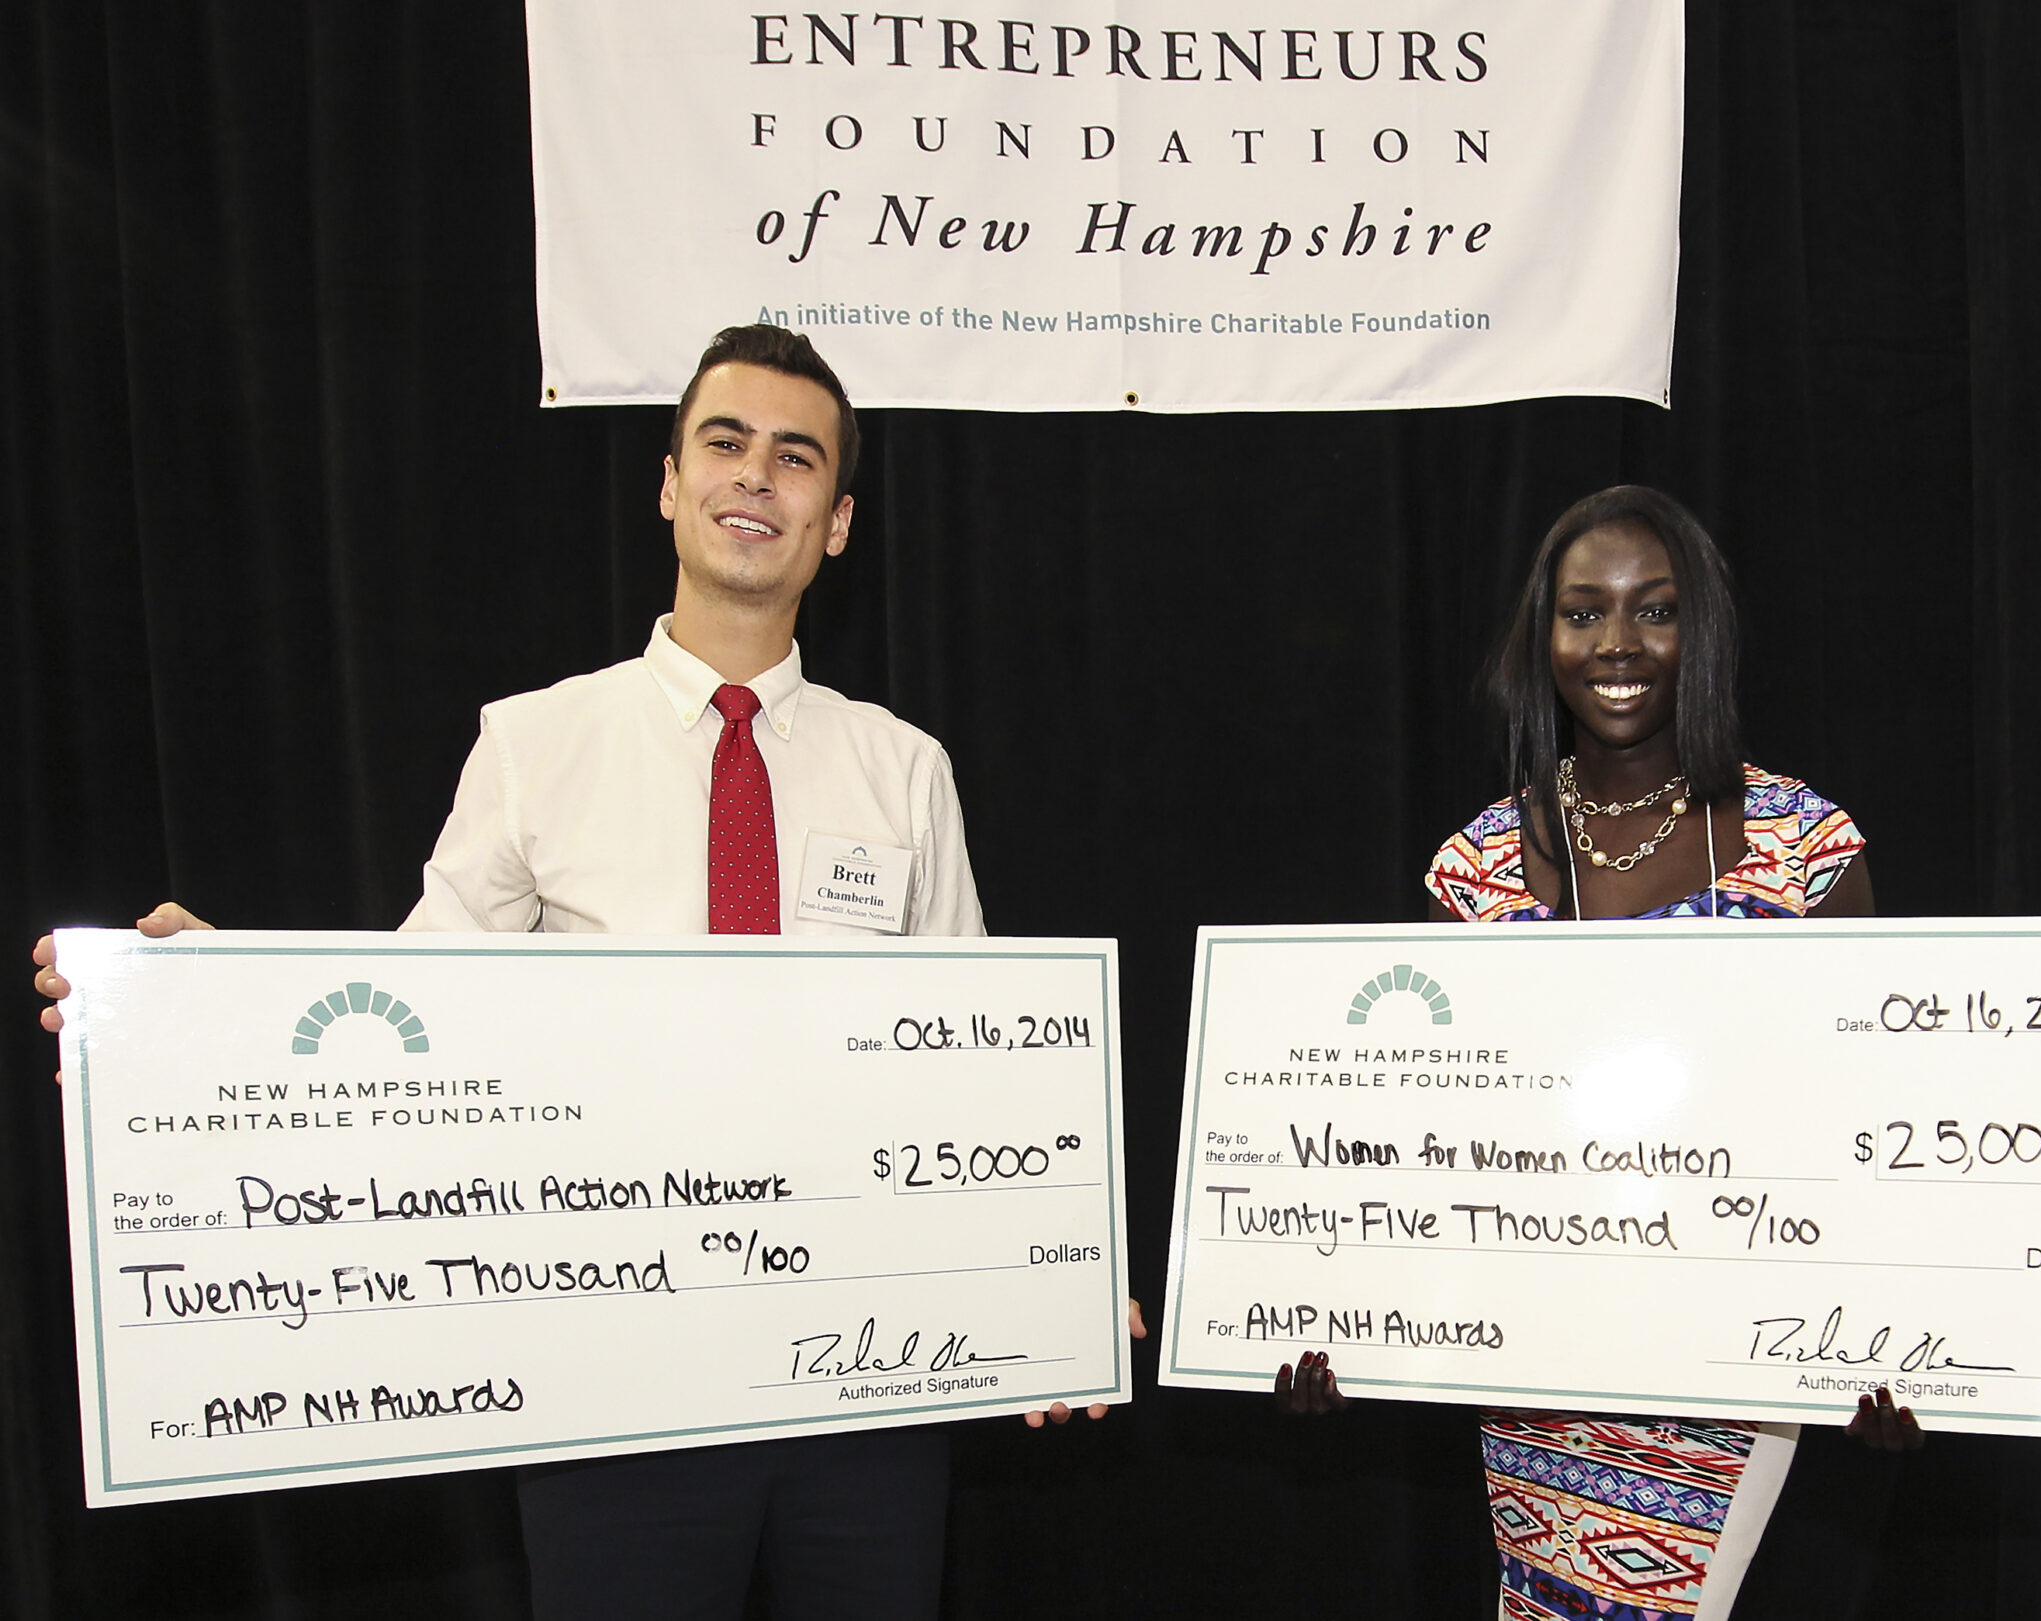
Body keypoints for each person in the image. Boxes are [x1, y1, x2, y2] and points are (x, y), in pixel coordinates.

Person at [33, 323, 1130, 1621]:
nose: (754, 478)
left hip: (868, 1379)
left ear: (835, 523)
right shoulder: (536, 745)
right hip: (616, 1381)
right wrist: (209, 1006)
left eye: (795, 458)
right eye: (724, 443)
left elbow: (974, 1061)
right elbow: (414, 1013)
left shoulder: (905, 768)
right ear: (669, 483)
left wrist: (1056, 1273)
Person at [1275, 485, 1918, 1621]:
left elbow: (1877, 1133)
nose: (1616, 643)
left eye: (1654, 611)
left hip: (1730, 1366)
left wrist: (1903, 1346)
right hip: (1536, 1368)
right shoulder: (1470, 867)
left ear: (1702, 633)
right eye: (1583, 613)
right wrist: (1334, 1319)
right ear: (1544, 638)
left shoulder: (1801, 846)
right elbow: (1423, 1145)